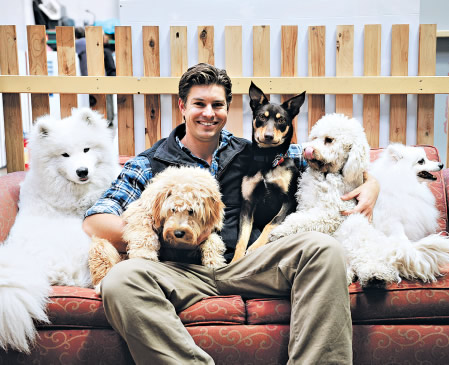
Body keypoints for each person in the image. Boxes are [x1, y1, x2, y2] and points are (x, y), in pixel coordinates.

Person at [83, 63, 379, 364]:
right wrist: (175, 232)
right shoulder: (149, 162)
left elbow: (326, 156)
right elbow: (96, 219)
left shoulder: (257, 150)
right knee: (120, 279)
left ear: (228, 109)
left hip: (249, 263)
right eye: (199, 104)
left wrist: (372, 183)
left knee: (324, 249)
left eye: (217, 105)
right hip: (181, 270)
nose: (208, 113)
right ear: (183, 106)